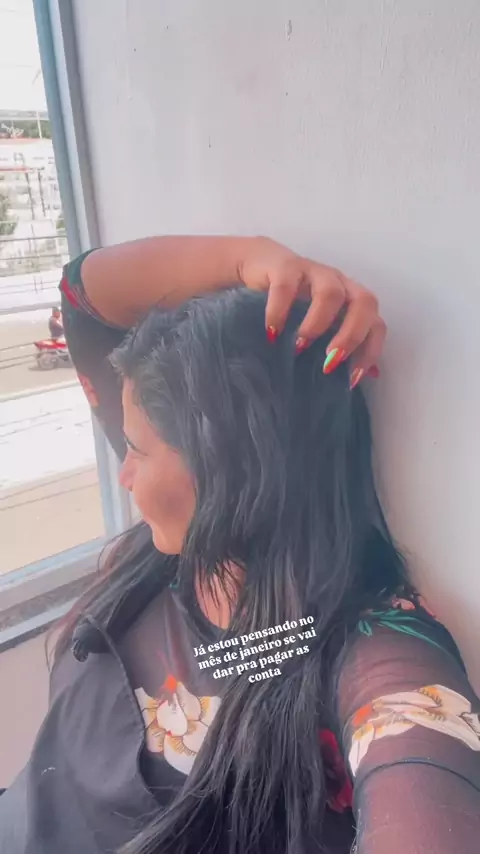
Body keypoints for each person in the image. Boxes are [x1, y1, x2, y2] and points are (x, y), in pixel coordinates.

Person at [0, 235, 478, 854]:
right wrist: (250, 259)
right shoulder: (173, 536)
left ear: (232, 473)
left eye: (136, 449)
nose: (124, 474)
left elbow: (421, 763)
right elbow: (83, 297)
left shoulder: (373, 647)